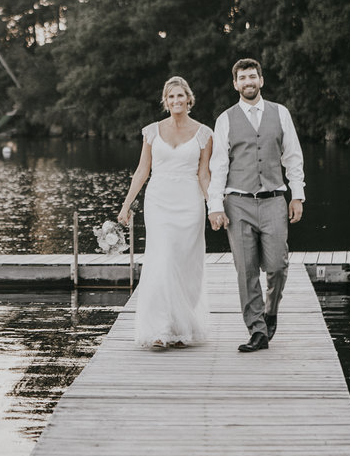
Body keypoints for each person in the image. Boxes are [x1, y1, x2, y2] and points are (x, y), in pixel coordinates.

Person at [207, 58, 305, 353]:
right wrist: (215, 205)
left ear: (261, 80)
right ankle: (257, 331)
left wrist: (297, 195)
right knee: (246, 270)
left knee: (277, 265)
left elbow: (293, 157)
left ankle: (270, 311)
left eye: (253, 76)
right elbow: (219, 165)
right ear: (235, 84)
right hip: (237, 202)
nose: (248, 82)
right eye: (242, 78)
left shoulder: (281, 113)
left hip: (274, 199)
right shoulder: (225, 119)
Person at [118, 76, 213, 349]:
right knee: (162, 261)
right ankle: (159, 329)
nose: (176, 101)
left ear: (189, 99)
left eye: (180, 96)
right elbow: (141, 171)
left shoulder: (204, 134)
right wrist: (126, 206)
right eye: (171, 97)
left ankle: (180, 327)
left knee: (186, 265)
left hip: (190, 202)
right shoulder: (151, 132)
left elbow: (204, 175)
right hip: (159, 202)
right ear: (165, 101)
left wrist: (214, 208)